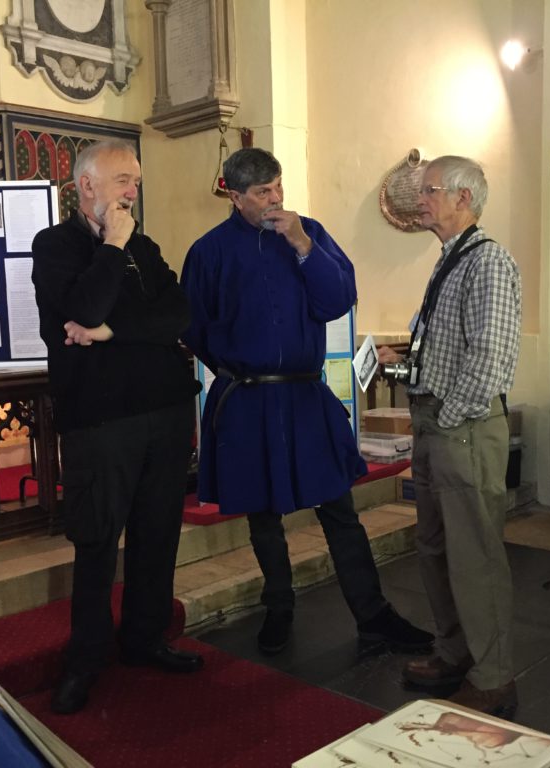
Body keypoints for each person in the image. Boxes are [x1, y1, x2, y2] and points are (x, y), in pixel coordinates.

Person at [180, 147, 433, 657]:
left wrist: (299, 244)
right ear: (233, 195)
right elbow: (194, 327)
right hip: (247, 397)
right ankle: (279, 606)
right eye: (261, 193)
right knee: (262, 514)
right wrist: (239, 367)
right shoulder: (208, 252)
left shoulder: (309, 232)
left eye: (278, 187)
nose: (275, 200)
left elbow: (337, 300)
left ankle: (374, 614)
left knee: (339, 509)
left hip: (303, 394)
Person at [31, 139, 203, 715]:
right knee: (98, 542)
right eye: (124, 180)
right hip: (100, 422)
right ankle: (85, 660)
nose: (134, 191)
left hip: (165, 412)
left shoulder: (145, 247)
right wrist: (112, 248)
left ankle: (145, 638)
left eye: (136, 181)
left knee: (158, 535)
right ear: (87, 186)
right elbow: (84, 307)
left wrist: (110, 333)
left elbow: (178, 313)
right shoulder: (55, 247)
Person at [379, 155, 521, 716]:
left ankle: (493, 678)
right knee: (436, 547)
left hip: (461, 427)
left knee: (474, 555)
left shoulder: (488, 262)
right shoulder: (449, 261)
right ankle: (453, 651)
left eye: (432, 190)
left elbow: (492, 357)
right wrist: (407, 359)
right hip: (435, 421)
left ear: (465, 198)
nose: (423, 200)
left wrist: (449, 416)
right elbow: (451, 344)